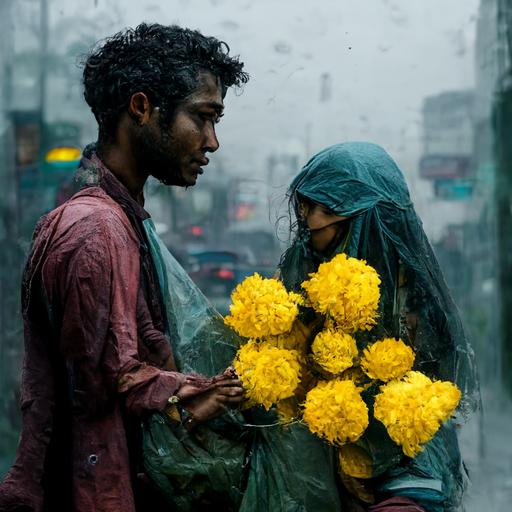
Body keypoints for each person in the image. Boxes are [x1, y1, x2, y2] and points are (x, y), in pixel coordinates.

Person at [0, 23, 248, 512]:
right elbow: (104, 383)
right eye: (201, 117)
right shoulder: (95, 231)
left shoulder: (118, 218)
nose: (212, 141)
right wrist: (190, 394)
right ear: (141, 108)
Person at [277, 141, 479, 512]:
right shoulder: (300, 273)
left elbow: (429, 403)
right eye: (305, 206)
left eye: (320, 208)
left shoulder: (411, 292)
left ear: (357, 219)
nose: (307, 220)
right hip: (315, 464)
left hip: (404, 477)